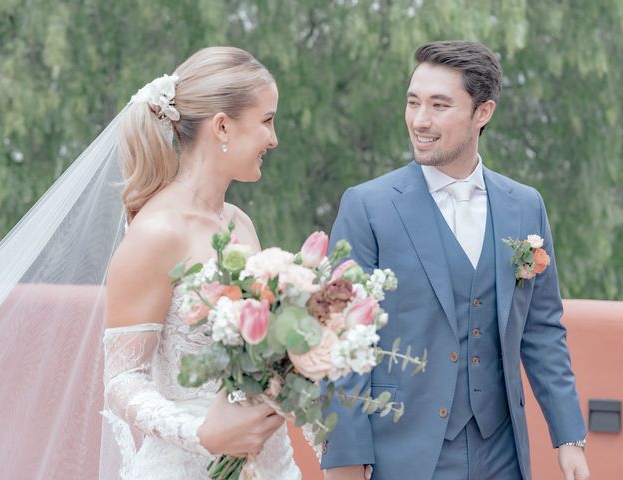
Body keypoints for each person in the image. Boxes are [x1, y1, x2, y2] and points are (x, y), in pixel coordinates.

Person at [322, 41, 589, 480]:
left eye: (439, 105)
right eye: (413, 103)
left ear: (482, 112)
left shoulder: (524, 205)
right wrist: (344, 458)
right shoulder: (367, 207)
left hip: (502, 452)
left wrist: (569, 437)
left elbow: (542, 331)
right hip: (402, 450)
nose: (420, 121)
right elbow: (342, 338)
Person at [100, 47, 302, 479]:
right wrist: (203, 434)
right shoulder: (157, 232)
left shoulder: (240, 223)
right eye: (267, 120)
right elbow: (121, 379)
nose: (274, 138)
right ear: (223, 126)